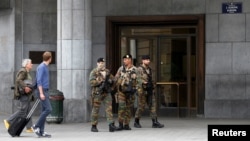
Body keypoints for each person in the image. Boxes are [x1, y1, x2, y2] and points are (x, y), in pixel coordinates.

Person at [4, 59, 34, 133]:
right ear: (26, 65)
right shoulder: (23, 71)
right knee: (23, 110)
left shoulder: (27, 72)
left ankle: (29, 127)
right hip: (23, 94)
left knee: (28, 111)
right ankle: (9, 121)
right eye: (30, 63)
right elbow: (18, 80)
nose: (32, 64)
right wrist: (25, 87)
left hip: (27, 94)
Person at [134, 55, 164, 128]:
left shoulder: (150, 70)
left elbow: (152, 80)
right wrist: (143, 82)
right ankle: (136, 121)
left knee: (153, 106)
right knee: (141, 107)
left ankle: (155, 122)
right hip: (142, 91)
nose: (148, 61)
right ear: (143, 61)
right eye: (147, 60)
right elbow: (136, 79)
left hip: (150, 90)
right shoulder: (139, 69)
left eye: (149, 60)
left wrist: (153, 86)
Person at [89, 57, 118, 132]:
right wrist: (100, 81)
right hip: (97, 93)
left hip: (106, 93)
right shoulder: (94, 72)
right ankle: (94, 125)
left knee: (109, 109)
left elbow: (114, 79)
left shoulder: (107, 71)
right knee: (95, 110)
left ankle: (111, 125)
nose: (102, 64)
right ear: (97, 63)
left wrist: (111, 84)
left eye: (103, 63)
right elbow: (91, 82)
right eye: (100, 63)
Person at [115, 54, 142, 130]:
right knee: (121, 107)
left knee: (128, 109)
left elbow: (139, 81)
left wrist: (137, 90)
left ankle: (126, 124)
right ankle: (120, 124)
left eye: (126, 59)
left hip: (131, 92)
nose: (124, 61)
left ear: (130, 60)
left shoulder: (135, 70)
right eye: (124, 60)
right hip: (122, 91)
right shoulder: (121, 69)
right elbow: (116, 78)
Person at [32, 51, 52, 138]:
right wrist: (41, 93)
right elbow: (39, 81)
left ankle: (41, 131)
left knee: (44, 110)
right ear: (50, 58)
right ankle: (36, 126)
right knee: (48, 109)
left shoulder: (44, 66)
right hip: (42, 91)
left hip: (45, 90)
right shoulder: (42, 67)